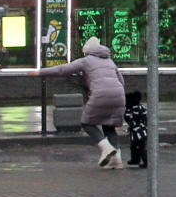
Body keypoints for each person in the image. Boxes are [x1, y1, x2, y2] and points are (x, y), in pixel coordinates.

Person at [37, 38, 125, 169]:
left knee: (87, 123)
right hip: (119, 94)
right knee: (109, 126)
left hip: (101, 93)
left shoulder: (86, 61)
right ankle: (117, 160)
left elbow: (63, 69)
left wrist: (40, 72)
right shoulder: (109, 61)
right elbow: (121, 80)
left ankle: (106, 147)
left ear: (88, 51)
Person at [124, 90, 149, 168]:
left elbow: (127, 118)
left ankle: (143, 161)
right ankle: (136, 159)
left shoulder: (129, 110)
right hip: (144, 129)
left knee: (137, 146)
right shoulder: (142, 107)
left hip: (135, 132)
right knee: (139, 145)